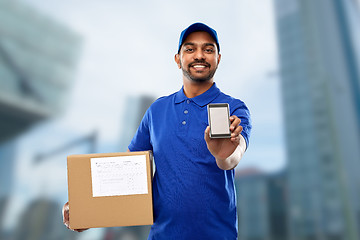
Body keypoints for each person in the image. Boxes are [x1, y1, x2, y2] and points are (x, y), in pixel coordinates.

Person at [63, 22, 251, 240]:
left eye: (208, 49)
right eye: (190, 49)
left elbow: (233, 157)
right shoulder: (157, 110)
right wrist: (88, 210)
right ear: (178, 59)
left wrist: (223, 155)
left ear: (218, 58)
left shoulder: (235, 108)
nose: (199, 55)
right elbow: (127, 174)